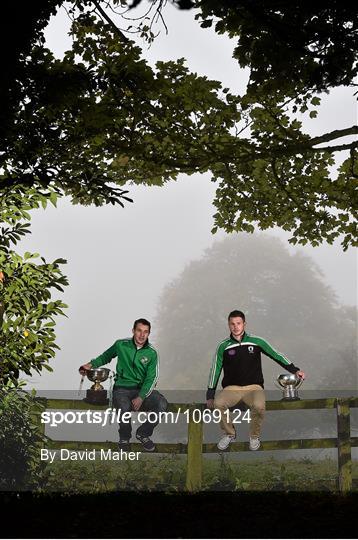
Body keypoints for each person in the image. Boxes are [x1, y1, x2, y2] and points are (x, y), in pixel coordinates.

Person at [206, 310, 305, 451]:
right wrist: (210, 394)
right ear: (228, 325)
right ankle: (229, 434)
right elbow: (215, 370)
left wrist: (295, 370)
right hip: (231, 388)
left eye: (238, 323)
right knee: (218, 403)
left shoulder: (257, 341)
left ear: (244, 324)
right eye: (232, 324)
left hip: (254, 387)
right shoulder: (223, 346)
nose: (235, 327)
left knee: (259, 406)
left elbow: (276, 355)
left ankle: (254, 436)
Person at [79, 318, 168, 452]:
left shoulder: (152, 352)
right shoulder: (121, 344)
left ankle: (143, 433)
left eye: (146, 332)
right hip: (121, 389)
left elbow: (152, 378)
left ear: (149, 334)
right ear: (133, 331)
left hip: (142, 390)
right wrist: (89, 365)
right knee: (124, 407)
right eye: (139, 331)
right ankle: (124, 438)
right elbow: (105, 356)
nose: (142, 335)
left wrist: (141, 397)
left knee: (162, 403)